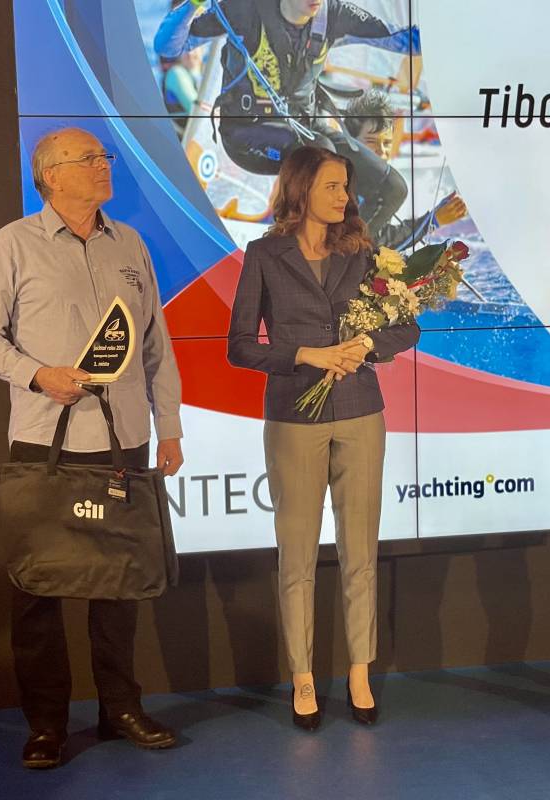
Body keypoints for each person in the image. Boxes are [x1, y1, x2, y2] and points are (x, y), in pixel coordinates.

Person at [0, 128, 185, 767]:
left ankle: (121, 710)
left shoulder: (130, 243)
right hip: (45, 444)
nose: (102, 165)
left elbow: (155, 342)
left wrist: (168, 424)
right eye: (88, 159)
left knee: (118, 586)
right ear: (51, 175)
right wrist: (39, 374)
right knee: (39, 592)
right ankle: (46, 725)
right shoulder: (12, 244)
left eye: (102, 157)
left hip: (124, 442)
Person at [227, 145, 418, 730]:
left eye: (346, 187)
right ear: (301, 189)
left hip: (360, 412)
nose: (345, 196)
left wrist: (367, 345)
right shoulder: (264, 254)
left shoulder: (362, 252)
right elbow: (240, 347)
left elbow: (408, 324)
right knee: (297, 556)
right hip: (293, 416)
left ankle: (360, 671)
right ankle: (303, 676)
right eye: (333, 186)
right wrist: (304, 355)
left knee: (361, 553)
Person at [154, 0, 413, 240]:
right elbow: (167, 48)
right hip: (246, 132)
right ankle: (296, 251)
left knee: (393, 188)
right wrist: (192, 5)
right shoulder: (243, 9)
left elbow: (405, 41)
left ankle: (350, 255)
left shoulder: (333, 14)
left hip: (306, 128)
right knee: (322, 155)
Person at [342, 89, 468, 249]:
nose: (381, 151)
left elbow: (379, 235)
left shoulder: (373, 184)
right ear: (349, 142)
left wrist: (434, 218)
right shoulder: (341, 187)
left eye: (387, 143)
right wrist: (432, 221)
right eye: (371, 141)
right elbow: (377, 244)